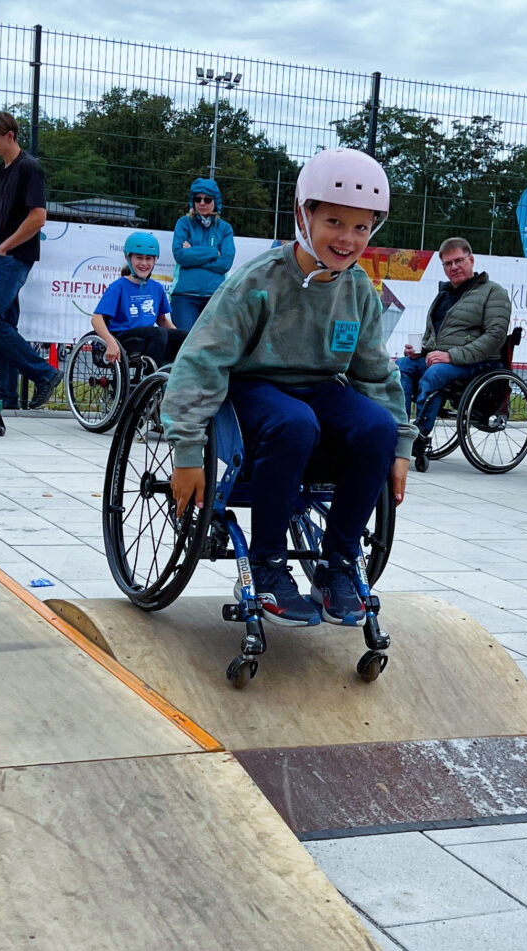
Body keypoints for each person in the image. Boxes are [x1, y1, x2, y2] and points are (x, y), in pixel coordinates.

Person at [164, 148, 413, 628]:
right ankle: (266, 565)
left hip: (320, 388)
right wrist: (188, 452)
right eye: (335, 222)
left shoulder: (358, 288)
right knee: (295, 423)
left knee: (377, 428)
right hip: (254, 387)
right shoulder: (258, 281)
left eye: (361, 228)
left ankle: (337, 566)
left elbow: (375, 372)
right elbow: (200, 359)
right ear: (305, 216)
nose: (347, 238)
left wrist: (400, 444)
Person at [0, 111, 60, 411]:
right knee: (3, 323)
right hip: (1, 255)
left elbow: (38, 217)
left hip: (13, 256)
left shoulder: (28, 168)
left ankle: (45, 373)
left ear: (10, 135)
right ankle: (7, 399)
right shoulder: (0, 173)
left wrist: (6, 247)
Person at [397, 238, 511, 455]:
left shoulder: (493, 292)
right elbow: (436, 337)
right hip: (442, 359)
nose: (454, 267)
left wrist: (451, 356)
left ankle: (420, 436)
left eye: (459, 261)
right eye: (448, 264)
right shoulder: (444, 295)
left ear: (471, 260)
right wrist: (421, 349)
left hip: (480, 363)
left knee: (435, 373)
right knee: (401, 366)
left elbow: (495, 337)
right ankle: (401, 432)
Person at [91, 232, 187, 368]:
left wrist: (181, 337)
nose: (144, 263)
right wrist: (111, 343)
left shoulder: (157, 288)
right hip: (124, 337)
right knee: (158, 333)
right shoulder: (118, 287)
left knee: (183, 336)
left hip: (150, 335)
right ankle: (151, 380)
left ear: (155, 261)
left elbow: (162, 320)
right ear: (129, 259)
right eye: (139, 258)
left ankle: (170, 377)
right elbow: (96, 318)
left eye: (149, 258)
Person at [170, 178, 236, 331]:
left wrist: (193, 254)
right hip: (184, 296)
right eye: (197, 199)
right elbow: (180, 255)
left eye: (207, 199)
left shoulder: (225, 228)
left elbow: (225, 263)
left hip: (214, 297)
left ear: (216, 201)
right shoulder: (184, 223)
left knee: (211, 346)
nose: (202, 203)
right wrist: (213, 252)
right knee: (185, 343)